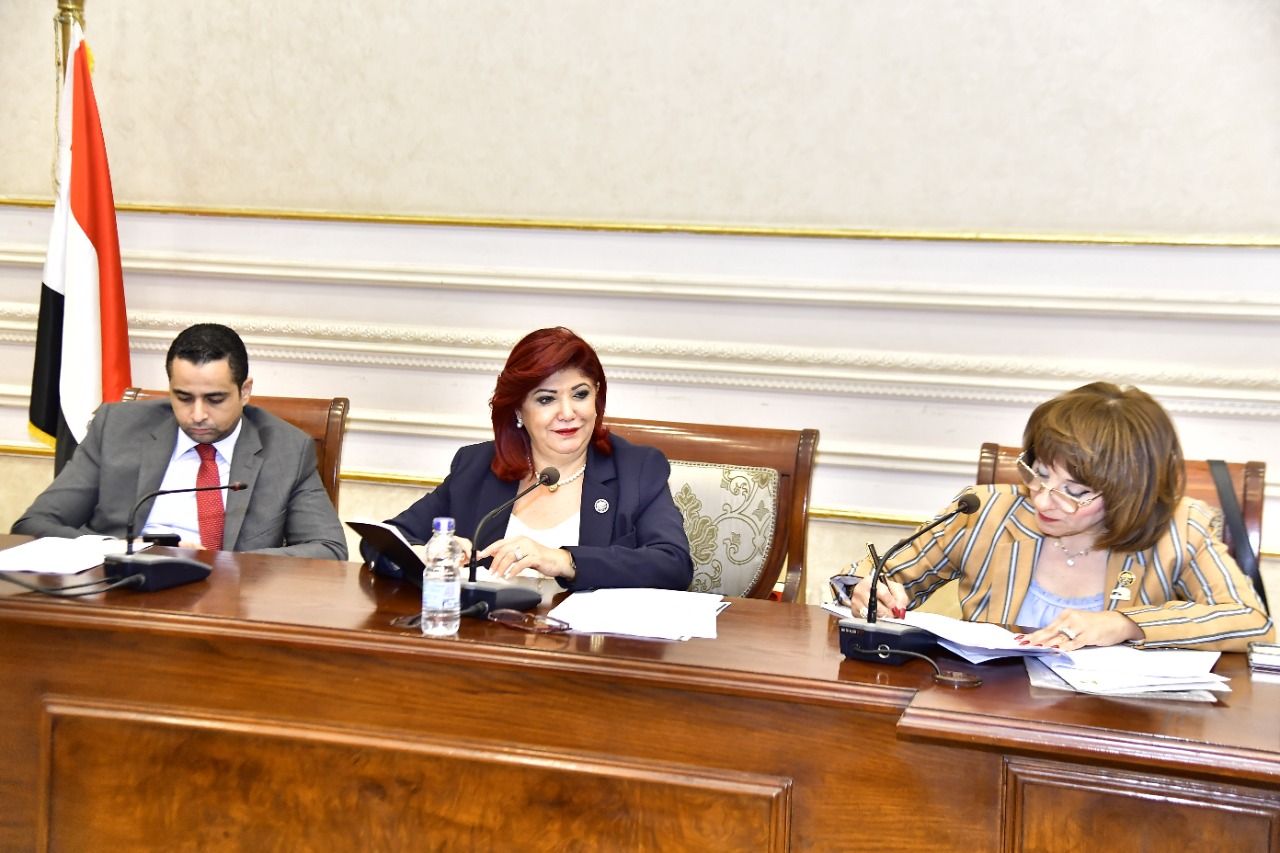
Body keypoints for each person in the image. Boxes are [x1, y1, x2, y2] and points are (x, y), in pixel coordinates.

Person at [844, 382, 1273, 652]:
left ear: (1129, 493)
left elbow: (1252, 621)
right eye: (1040, 474)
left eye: (1076, 492)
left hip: (1116, 729)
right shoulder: (986, 512)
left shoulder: (1180, 528)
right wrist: (867, 589)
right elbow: (869, 573)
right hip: (986, 712)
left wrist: (1126, 624)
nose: (1045, 500)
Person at [364, 327, 693, 591]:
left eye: (580, 394)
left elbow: (673, 565)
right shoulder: (476, 466)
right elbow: (384, 540)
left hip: (589, 647)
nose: (568, 413)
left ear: (597, 396)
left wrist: (563, 561)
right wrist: (430, 554)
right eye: (546, 399)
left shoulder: (637, 469)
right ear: (519, 410)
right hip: (489, 640)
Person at [12, 323, 348, 560]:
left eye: (215, 399)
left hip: (226, 604)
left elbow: (328, 549)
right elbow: (34, 525)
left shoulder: (288, 449)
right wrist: (122, 550)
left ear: (245, 391)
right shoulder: (116, 428)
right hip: (120, 592)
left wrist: (224, 565)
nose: (197, 415)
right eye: (183, 397)